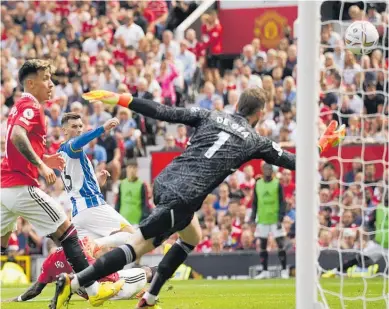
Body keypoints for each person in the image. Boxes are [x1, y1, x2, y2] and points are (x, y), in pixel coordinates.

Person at [52, 88, 345, 309]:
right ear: (259, 114)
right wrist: (321, 144)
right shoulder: (256, 140)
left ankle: (150, 296)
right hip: (184, 196)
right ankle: (76, 281)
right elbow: (299, 161)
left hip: (165, 181)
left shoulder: (210, 115)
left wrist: (120, 97)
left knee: (191, 235)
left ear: (237, 106)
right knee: (138, 245)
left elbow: (162, 111)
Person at [0, 59, 123, 308]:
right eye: (46, 79)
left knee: (2, 245)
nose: (51, 84)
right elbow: (16, 136)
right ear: (31, 83)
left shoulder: (17, 106)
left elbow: (15, 145)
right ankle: (92, 288)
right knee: (68, 233)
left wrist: (45, 158)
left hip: (4, 188)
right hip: (21, 187)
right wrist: (43, 166)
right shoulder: (31, 107)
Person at [59, 112, 135, 244]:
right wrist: (103, 128)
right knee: (134, 238)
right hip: (92, 206)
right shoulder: (71, 146)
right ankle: (97, 245)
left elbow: (77, 184)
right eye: (74, 126)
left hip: (78, 214)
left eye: (80, 126)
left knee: (95, 258)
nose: (78, 130)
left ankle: (96, 246)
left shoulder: (60, 153)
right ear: (64, 130)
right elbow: (77, 142)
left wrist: (97, 182)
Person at [5, 237, 155, 303]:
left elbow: (36, 289)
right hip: (116, 287)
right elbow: (106, 272)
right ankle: (165, 271)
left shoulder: (48, 263)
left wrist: (17, 299)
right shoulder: (78, 249)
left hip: (103, 288)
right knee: (147, 271)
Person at [322, 192, 388, 278]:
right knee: (359, 258)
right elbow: (370, 224)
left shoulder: (379, 208)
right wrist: (372, 237)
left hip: (380, 243)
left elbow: (370, 223)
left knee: (359, 259)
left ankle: (339, 271)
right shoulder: (379, 209)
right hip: (379, 244)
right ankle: (336, 271)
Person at [250, 163, 289, 279]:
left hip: (275, 218)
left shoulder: (278, 184)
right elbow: (255, 203)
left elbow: (283, 202)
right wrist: (253, 218)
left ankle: (283, 270)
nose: (267, 170)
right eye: (265, 168)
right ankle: (264, 271)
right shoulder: (258, 184)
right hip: (262, 218)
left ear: (273, 170)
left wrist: (280, 218)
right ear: (262, 170)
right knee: (262, 244)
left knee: (280, 244)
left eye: (269, 169)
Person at [116, 160, 151, 226]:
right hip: (122, 222)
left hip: (136, 222)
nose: (132, 170)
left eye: (134, 167)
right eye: (130, 167)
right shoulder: (122, 184)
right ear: (126, 169)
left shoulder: (142, 185)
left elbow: (145, 204)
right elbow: (118, 203)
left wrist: (142, 221)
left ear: (137, 169)